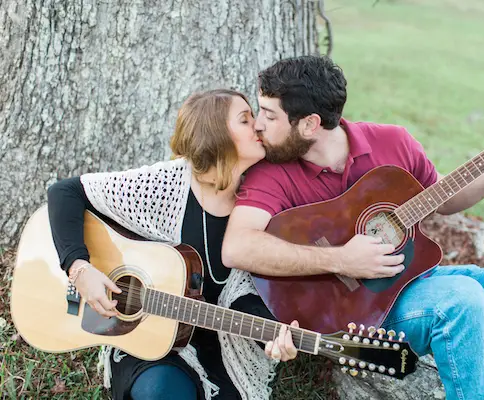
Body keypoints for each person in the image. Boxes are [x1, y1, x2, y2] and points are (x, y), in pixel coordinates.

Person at [221, 56, 484, 400]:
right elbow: (238, 247)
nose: (258, 124)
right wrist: (342, 259)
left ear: (310, 124)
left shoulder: (392, 143)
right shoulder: (272, 172)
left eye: (270, 115)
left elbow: (446, 199)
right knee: (461, 298)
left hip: (417, 284)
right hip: (358, 314)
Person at [47, 89, 297, 400]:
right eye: (246, 120)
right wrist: (80, 268)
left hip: (223, 347)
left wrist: (273, 337)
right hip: (149, 339)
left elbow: (253, 295)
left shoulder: (263, 203)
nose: (258, 125)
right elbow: (65, 192)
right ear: (216, 133)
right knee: (160, 391)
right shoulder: (166, 185)